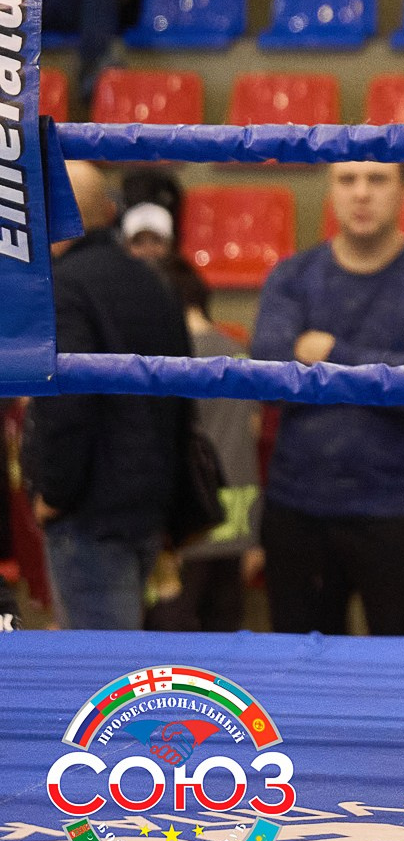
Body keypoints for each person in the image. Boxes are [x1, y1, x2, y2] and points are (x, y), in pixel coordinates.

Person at [250, 161, 404, 637]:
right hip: (299, 507)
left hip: (400, 510)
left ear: (403, 192)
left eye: (377, 180)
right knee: (298, 677)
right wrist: (380, 371)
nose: (361, 194)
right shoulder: (291, 277)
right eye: (347, 180)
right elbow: (270, 373)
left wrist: (328, 354)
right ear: (330, 190)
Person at [22, 163, 196, 630]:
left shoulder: (62, 286)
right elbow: (182, 395)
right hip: (144, 511)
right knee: (118, 665)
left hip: (90, 518)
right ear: (107, 211)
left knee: (99, 679)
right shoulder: (153, 280)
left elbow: (67, 401)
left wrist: (53, 495)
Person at [149, 258, 263, 634]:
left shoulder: (164, 363)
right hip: (237, 522)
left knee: (172, 652)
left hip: (187, 528)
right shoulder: (240, 353)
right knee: (227, 646)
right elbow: (253, 432)